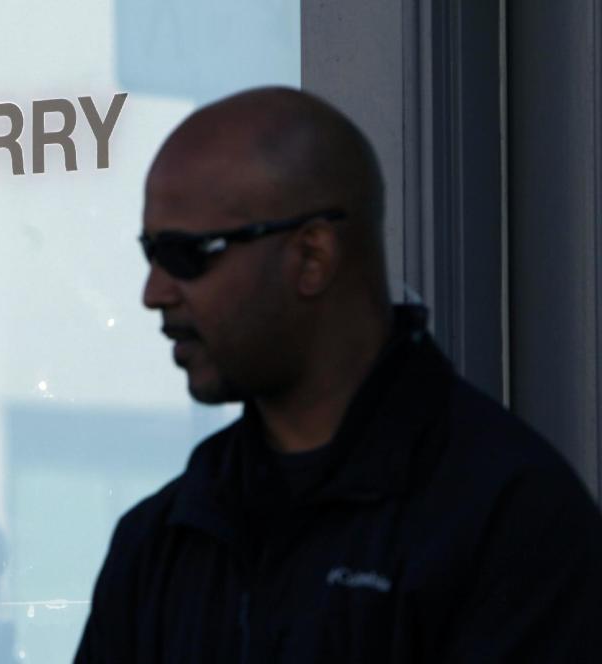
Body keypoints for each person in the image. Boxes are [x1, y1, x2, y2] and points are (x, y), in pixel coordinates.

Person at [74, 87, 602, 663]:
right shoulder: (164, 542)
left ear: (312, 257)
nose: (155, 293)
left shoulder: (508, 522)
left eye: (186, 255)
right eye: (149, 253)